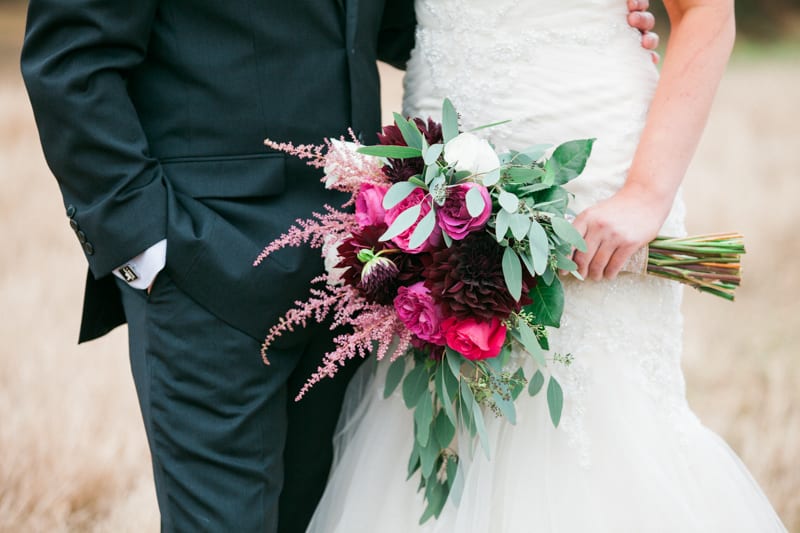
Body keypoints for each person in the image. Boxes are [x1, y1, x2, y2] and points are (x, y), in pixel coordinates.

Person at [19, 1, 662, 532]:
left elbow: (379, 21)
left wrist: (573, 19)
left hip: (359, 269)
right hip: (202, 271)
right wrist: (148, 248)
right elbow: (68, 62)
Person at [307, 0, 790, 532]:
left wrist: (646, 194)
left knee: (596, 424)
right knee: (447, 434)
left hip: (584, 156)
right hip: (435, 162)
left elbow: (706, 9)